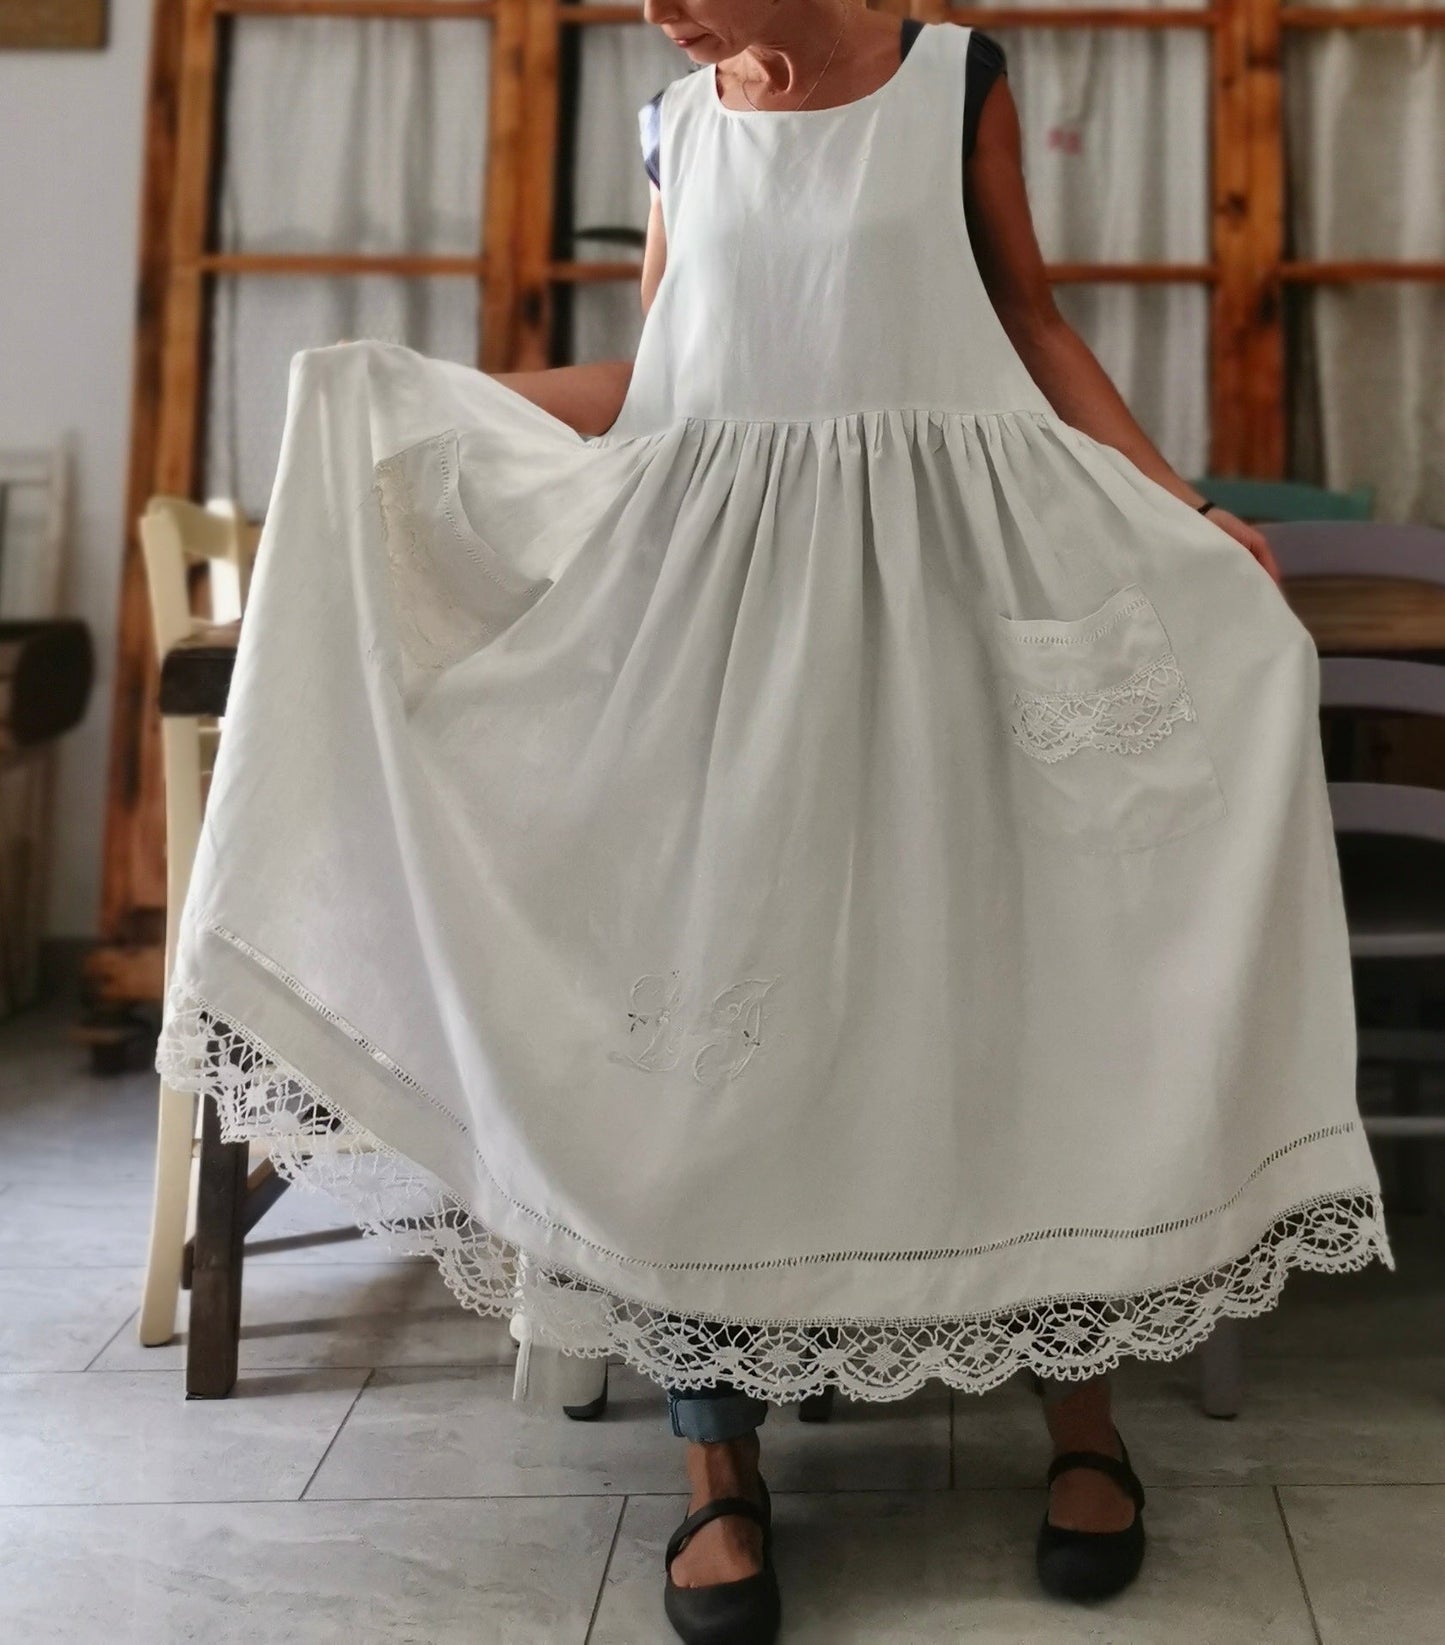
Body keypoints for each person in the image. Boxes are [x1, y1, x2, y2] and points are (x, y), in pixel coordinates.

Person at [156, 4, 1393, 1643]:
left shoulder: (954, 76)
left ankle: (1082, 1429)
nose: (662, 12)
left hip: (956, 588)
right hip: (711, 624)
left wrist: (1180, 505)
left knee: (1015, 1007)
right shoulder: (678, 124)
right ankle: (713, 1473)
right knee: (694, 1043)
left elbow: (1025, 324)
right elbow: (669, 371)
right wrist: (416, 406)